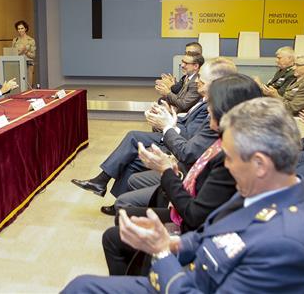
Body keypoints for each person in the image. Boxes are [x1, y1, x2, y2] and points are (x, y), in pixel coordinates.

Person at [62, 98, 304, 293]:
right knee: (82, 286)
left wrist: (163, 253)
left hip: (187, 284)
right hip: (189, 276)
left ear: (260, 164)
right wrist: (171, 242)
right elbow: (207, 236)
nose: (226, 166)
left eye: (229, 157)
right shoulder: (260, 194)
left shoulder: (286, 244)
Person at [102, 74, 263, 275]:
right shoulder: (226, 140)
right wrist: (173, 171)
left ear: (229, 111)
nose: (208, 110)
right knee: (120, 225)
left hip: (194, 230)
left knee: (117, 231)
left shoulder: (231, 154)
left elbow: (195, 216)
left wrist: (166, 171)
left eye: (212, 105)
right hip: (190, 211)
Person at [71, 57, 237, 215]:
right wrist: (171, 117)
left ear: (216, 84)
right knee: (133, 155)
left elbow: (188, 141)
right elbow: (187, 119)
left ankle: (107, 187)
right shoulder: (206, 96)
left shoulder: (215, 109)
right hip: (178, 136)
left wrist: (167, 124)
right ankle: (117, 200)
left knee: (133, 139)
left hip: (181, 153)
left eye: (202, 79)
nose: (198, 81)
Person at [12, 20, 36, 86]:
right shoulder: (15, 40)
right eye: (18, 29)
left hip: (28, 65)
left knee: (28, 85)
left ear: (25, 29)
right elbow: (12, 54)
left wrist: (25, 52)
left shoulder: (31, 40)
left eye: (22, 28)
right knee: (19, 84)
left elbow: (33, 55)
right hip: (17, 65)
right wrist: (20, 52)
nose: (20, 30)